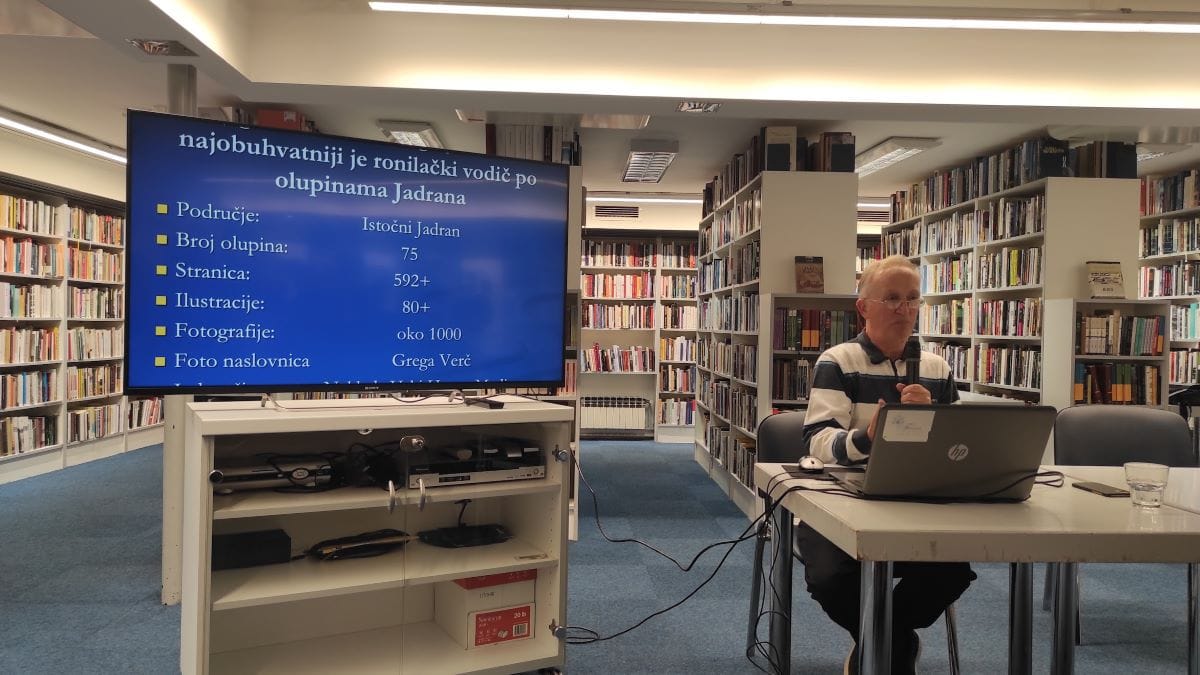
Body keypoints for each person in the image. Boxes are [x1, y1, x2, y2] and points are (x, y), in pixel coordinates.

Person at [798, 254, 975, 675]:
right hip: (842, 501)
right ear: (864, 307)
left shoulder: (936, 368)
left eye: (912, 298)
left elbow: (961, 449)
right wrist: (868, 436)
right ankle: (897, 643)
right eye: (892, 298)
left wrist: (938, 420)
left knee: (952, 571)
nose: (904, 308)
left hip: (919, 502)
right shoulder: (838, 362)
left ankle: (881, 642)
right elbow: (817, 442)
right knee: (830, 578)